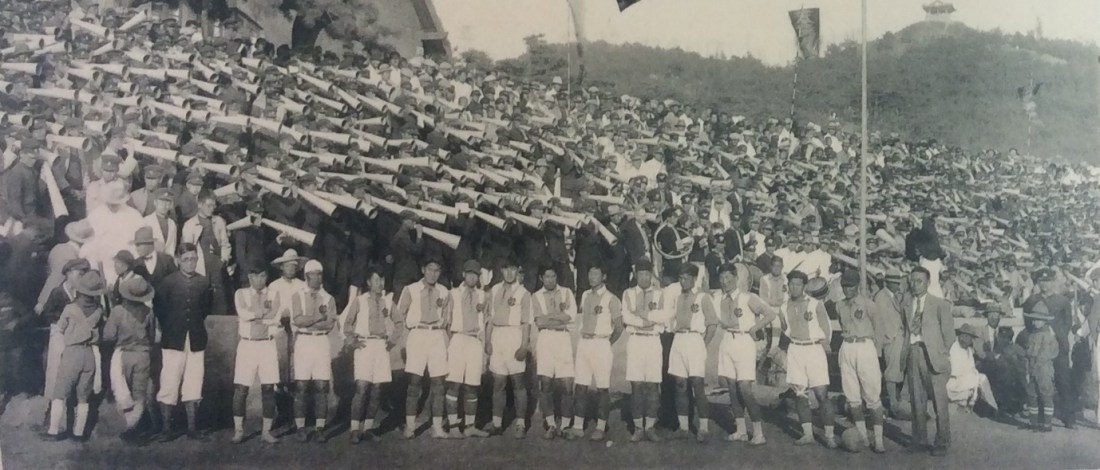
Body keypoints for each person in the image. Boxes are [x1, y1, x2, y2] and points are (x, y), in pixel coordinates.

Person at [716, 263, 779, 445]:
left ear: (736, 278)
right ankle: (741, 430)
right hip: (727, 341)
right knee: (732, 388)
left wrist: (755, 328)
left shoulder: (748, 297)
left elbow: (770, 314)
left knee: (744, 388)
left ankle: (758, 432)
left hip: (744, 342)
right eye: (722, 278)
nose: (725, 282)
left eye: (728, 278)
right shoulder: (718, 298)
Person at [154, 243, 211, 442]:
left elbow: (205, 309)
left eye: (193, 259)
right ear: (178, 260)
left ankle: (192, 428)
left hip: (196, 339)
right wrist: (172, 327)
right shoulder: (167, 283)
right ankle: (166, 429)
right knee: (169, 381)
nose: (190, 263)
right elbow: (160, 310)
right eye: (186, 259)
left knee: (195, 381)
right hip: (173, 339)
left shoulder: (204, 283)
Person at [42, 270, 105, 442]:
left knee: (59, 393)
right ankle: (78, 433)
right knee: (83, 397)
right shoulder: (99, 310)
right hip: (90, 354)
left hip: (72, 352)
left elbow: (60, 328)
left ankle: (53, 431)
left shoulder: (70, 309)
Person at [393, 258, 451, 439]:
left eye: (437, 270)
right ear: (423, 269)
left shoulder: (444, 291)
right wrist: (402, 341)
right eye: (430, 269)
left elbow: (447, 319)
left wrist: (446, 340)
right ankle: (410, 426)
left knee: (439, 383)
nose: (433, 274)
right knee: (414, 382)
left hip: (436, 335)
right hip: (417, 334)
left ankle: (437, 427)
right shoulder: (410, 289)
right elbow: (399, 316)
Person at [566, 265, 623, 442]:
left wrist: (605, 342)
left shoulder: (611, 299)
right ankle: (577, 426)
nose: (591, 277)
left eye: (596, 274)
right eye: (589, 273)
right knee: (581, 386)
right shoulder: (584, 295)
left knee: (602, 388)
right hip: (585, 343)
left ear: (603, 276)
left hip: (601, 343)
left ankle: (600, 426)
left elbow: (619, 328)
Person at [781, 270, 836, 449]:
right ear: (788, 286)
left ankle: (829, 435)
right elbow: (784, 328)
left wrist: (825, 346)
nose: (794, 288)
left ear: (804, 287)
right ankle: (807, 434)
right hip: (796, 349)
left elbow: (826, 328)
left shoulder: (815, 304)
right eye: (791, 284)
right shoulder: (783, 307)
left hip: (814, 349)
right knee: (800, 394)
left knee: (821, 394)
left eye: (798, 284)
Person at [903, 266, 954, 456]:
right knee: (917, 399)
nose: (915, 285)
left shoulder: (940, 304)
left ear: (928, 282)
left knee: (939, 401)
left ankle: (942, 441)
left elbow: (949, 334)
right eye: (912, 281)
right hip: (913, 352)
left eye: (919, 281)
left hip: (933, 356)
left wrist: (940, 353)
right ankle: (919, 440)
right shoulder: (907, 303)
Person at [344, 266, 397, 443]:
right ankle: (354, 429)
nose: (380, 283)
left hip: (381, 346)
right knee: (362, 387)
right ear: (368, 282)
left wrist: (392, 341)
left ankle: (368, 428)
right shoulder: (359, 300)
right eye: (376, 280)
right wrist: (353, 341)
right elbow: (347, 324)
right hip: (364, 346)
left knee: (377, 389)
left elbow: (400, 322)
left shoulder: (388, 302)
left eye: (382, 280)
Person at [834, 270, 886, 453]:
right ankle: (863, 437)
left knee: (872, 396)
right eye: (844, 285)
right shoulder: (839, 305)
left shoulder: (868, 304)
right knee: (852, 397)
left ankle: (879, 440)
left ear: (857, 285)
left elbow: (879, 328)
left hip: (865, 347)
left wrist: (878, 351)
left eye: (850, 285)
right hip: (847, 346)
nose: (847, 289)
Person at [666, 264, 717, 443]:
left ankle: (703, 428)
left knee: (697, 384)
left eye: (686, 277)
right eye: (680, 277)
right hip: (679, 339)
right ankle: (684, 427)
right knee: (680, 384)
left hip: (695, 340)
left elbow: (712, 324)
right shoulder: (678, 297)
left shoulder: (703, 297)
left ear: (694, 279)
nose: (683, 281)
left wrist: (702, 344)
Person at [230, 267, 281, 445]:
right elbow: (243, 314)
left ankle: (266, 431)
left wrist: (253, 316)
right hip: (247, 344)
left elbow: (275, 316)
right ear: (249, 277)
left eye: (262, 275)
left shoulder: (274, 294)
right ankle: (238, 430)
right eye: (255, 276)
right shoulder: (240, 293)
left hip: (268, 344)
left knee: (268, 388)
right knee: (241, 388)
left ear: (266, 275)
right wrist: (260, 316)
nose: (259, 280)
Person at [621, 259, 669, 443]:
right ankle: (638, 428)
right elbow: (626, 316)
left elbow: (663, 317)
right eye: (641, 273)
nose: (644, 277)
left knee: (652, 386)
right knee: (637, 386)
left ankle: (650, 427)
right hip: (635, 341)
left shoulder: (660, 294)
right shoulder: (628, 293)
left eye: (647, 273)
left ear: (651, 275)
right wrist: (647, 322)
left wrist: (642, 316)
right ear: (636, 274)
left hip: (653, 342)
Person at [102, 277, 156, 443]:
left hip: (123, 354)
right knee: (139, 394)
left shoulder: (118, 311)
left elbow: (108, 336)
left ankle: (131, 427)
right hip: (143, 355)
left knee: (122, 392)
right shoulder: (149, 312)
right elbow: (152, 336)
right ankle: (139, 426)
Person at [1023, 268, 1078, 429]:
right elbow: (1028, 323)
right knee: (1038, 379)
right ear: (1038, 283)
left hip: (1058, 345)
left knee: (1062, 380)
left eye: (1048, 281)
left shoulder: (1062, 301)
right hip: (1039, 347)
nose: (1045, 285)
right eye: (1042, 281)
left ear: (1054, 282)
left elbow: (1067, 323)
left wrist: (1055, 335)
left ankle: (1068, 417)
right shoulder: (1031, 300)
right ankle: (1041, 417)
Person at [290, 259, 338, 443]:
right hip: (303, 341)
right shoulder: (298, 296)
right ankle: (300, 427)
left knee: (321, 386)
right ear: (306, 276)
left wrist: (310, 320)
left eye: (319, 274)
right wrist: (317, 317)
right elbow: (297, 320)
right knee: (301, 386)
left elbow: (330, 323)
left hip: (321, 342)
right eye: (313, 274)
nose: (317, 278)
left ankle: (319, 428)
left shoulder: (329, 298)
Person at [485, 256, 533, 438]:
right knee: (498, 382)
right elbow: (489, 319)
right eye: (506, 269)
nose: (510, 273)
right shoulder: (494, 290)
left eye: (514, 269)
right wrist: (488, 342)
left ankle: (520, 423)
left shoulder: (523, 293)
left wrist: (524, 345)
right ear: (501, 270)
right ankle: (497, 422)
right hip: (497, 336)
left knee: (518, 383)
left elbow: (526, 323)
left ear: (518, 270)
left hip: (514, 335)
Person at [441, 260, 489, 439]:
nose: (472, 277)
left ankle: (470, 426)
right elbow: (446, 321)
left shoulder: (484, 296)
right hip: (458, 338)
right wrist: (449, 345)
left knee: (472, 386)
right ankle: (453, 426)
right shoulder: (452, 294)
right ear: (463, 274)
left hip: (475, 341)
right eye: (469, 273)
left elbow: (485, 322)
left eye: (475, 274)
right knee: (454, 383)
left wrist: (484, 351)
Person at [531, 264, 578, 440]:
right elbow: (540, 323)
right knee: (546, 383)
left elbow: (570, 317)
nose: (551, 280)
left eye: (553, 276)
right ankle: (551, 424)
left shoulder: (567, 293)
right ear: (541, 278)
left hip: (563, 339)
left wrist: (549, 317)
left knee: (567, 384)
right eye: (547, 276)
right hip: (546, 340)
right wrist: (559, 317)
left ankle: (565, 425)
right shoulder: (535, 296)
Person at [181, 191, 230, 315]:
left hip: (216, 265)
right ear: (200, 205)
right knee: (201, 298)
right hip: (200, 266)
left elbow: (225, 243)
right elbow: (187, 249)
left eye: (213, 206)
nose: (211, 209)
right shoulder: (190, 224)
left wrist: (223, 259)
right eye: (208, 205)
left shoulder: (218, 221)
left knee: (219, 299)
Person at [873, 268, 907, 415]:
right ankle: (893, 401)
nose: (897, 285)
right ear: (887, 283)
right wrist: (889, 336)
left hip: (900, 336)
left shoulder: (895, 296)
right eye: (894, 283)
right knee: (892, 370)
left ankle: (896, 399)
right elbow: (881, 320)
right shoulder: (881, 297)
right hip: (891, 337)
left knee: (900, 368)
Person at [1022, 303, 1058, 432]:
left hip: (1044, 369)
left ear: (1044, 321)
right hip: (1032, 368)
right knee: (1032, 395)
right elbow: (1027, 353)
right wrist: (1027, 369)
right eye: (1034, 319)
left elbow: (1046, 354)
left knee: (1046, 395)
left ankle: (1047, 424)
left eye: (1038, 319)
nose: (1035, 322)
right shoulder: (1032, 335)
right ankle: (1033, 422)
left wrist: (1035, 366)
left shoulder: (1048, 336)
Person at [947, 324, 998, 413]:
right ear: (963, 337)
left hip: (966, 380)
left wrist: (974, 375)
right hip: (955, 382)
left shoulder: (969, 350)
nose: (971, 341)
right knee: (980, 379)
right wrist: (974, 377)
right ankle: (992, 406)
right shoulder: (954, 349)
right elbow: (956, 372)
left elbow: (972, 368)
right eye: (970, 338)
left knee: (981, 378)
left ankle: (991, 405)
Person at [143, 188, 178, 256]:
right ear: (155, 202)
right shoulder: (146, 221)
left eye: (167, 202)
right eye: (161, 201)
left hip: (167, 262)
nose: (164, 205)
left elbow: (172, 247)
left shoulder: (172, 223)